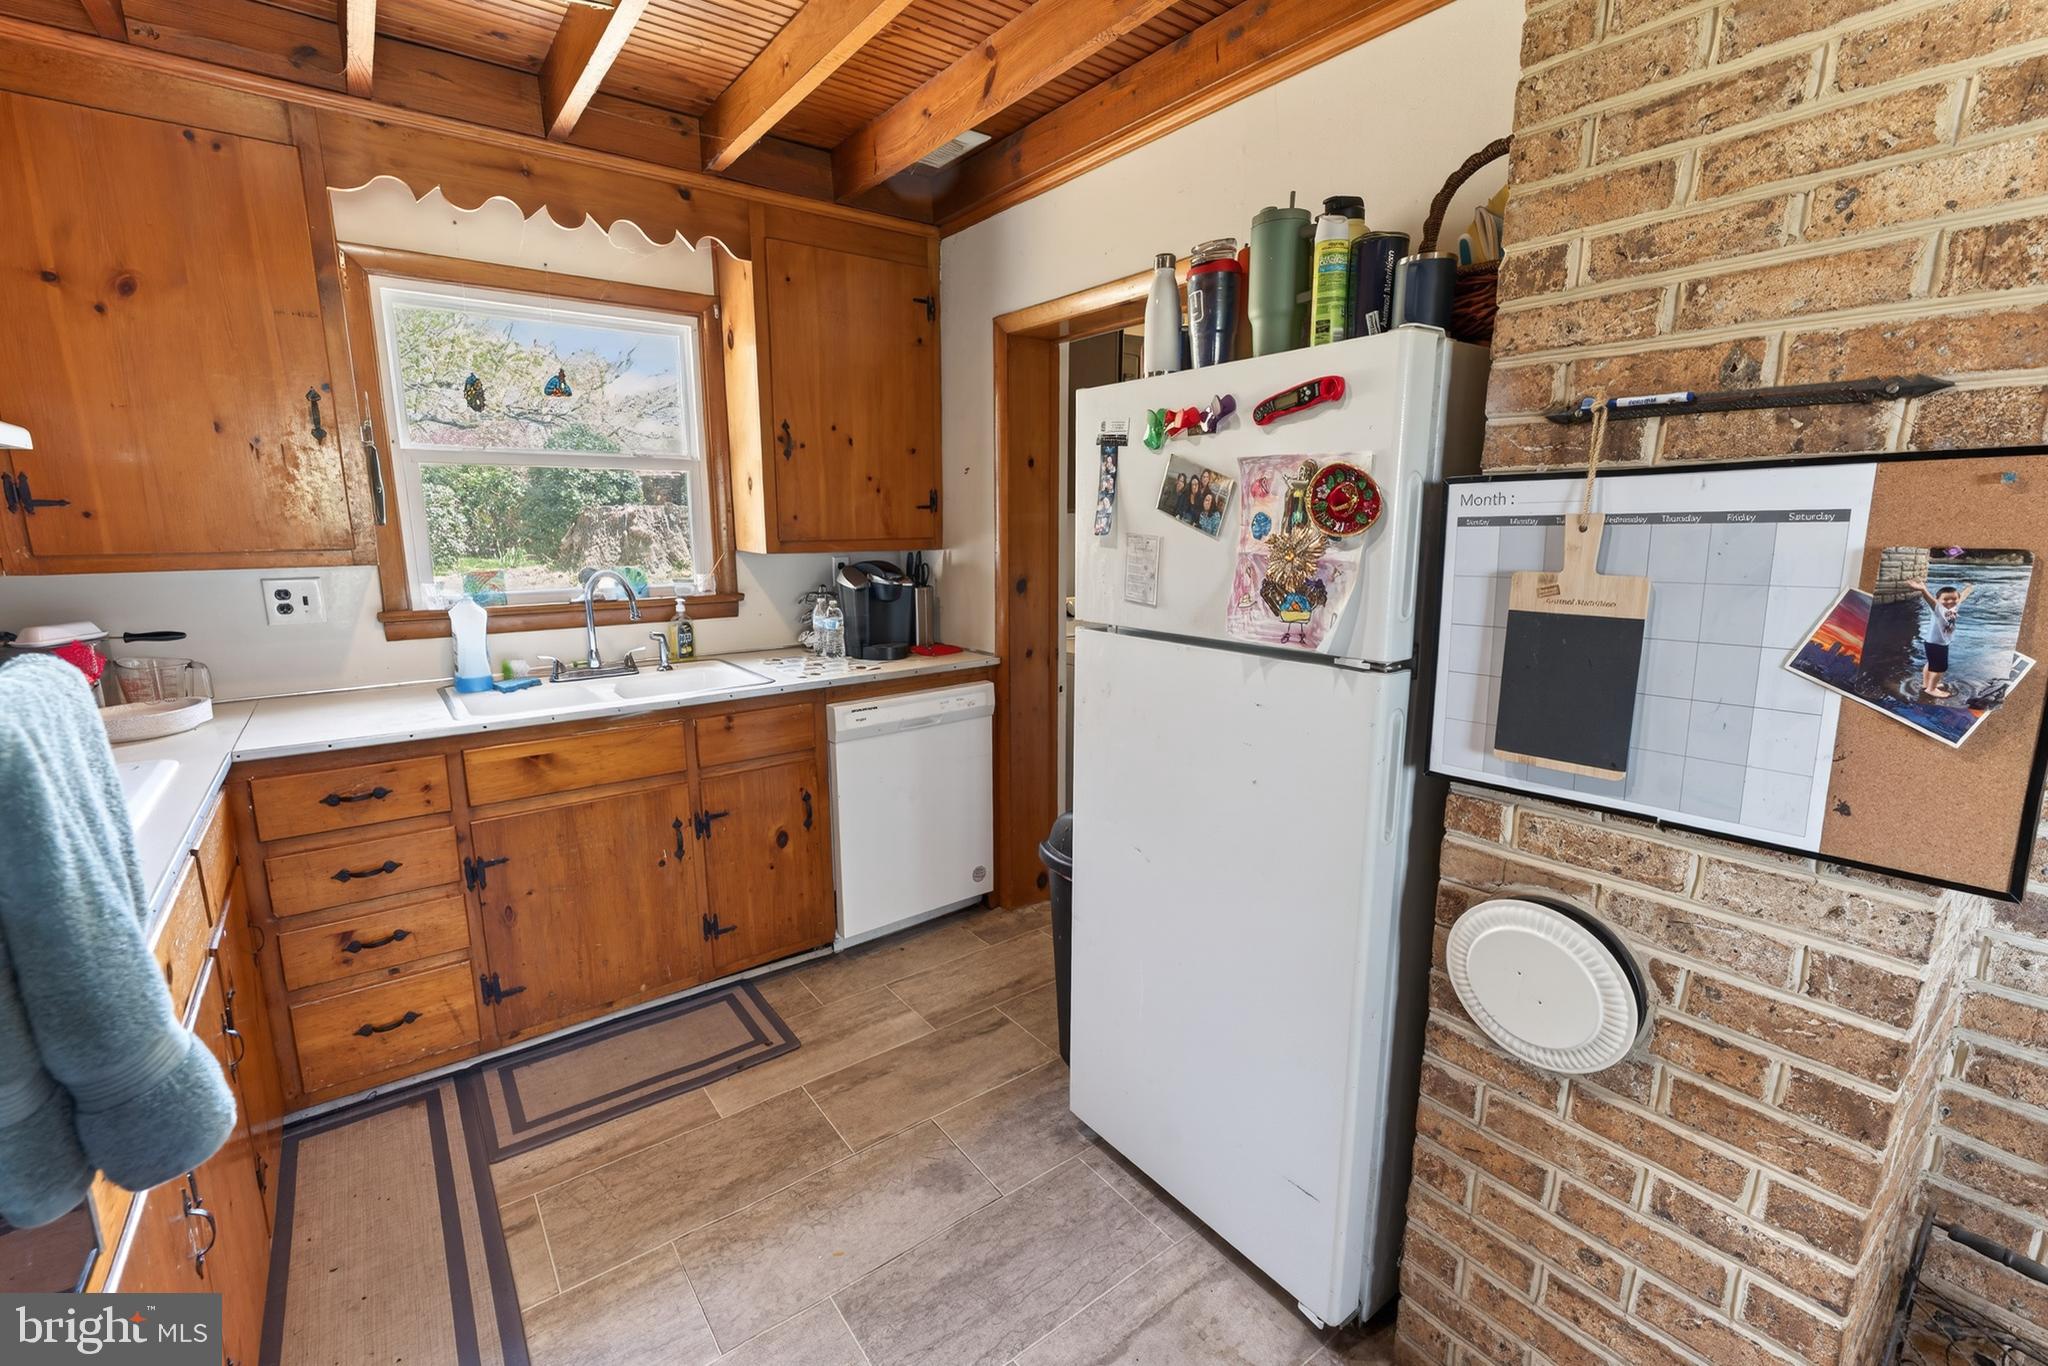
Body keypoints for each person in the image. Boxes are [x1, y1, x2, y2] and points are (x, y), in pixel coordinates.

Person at [1905, 577, 1975, 698]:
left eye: (1953, 599)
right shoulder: (1939, 610)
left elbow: (1962, 596)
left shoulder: (1954, 606)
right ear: (1938, 600)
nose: (1950, 601)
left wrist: (1969, 588)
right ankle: (1931, 689)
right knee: (1941, 668)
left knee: (1931, 663)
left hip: (1932, 642)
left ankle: (1926, 684)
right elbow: (1930, 601)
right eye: (1945, 599)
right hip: (1938, 644)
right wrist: (1923, 590)